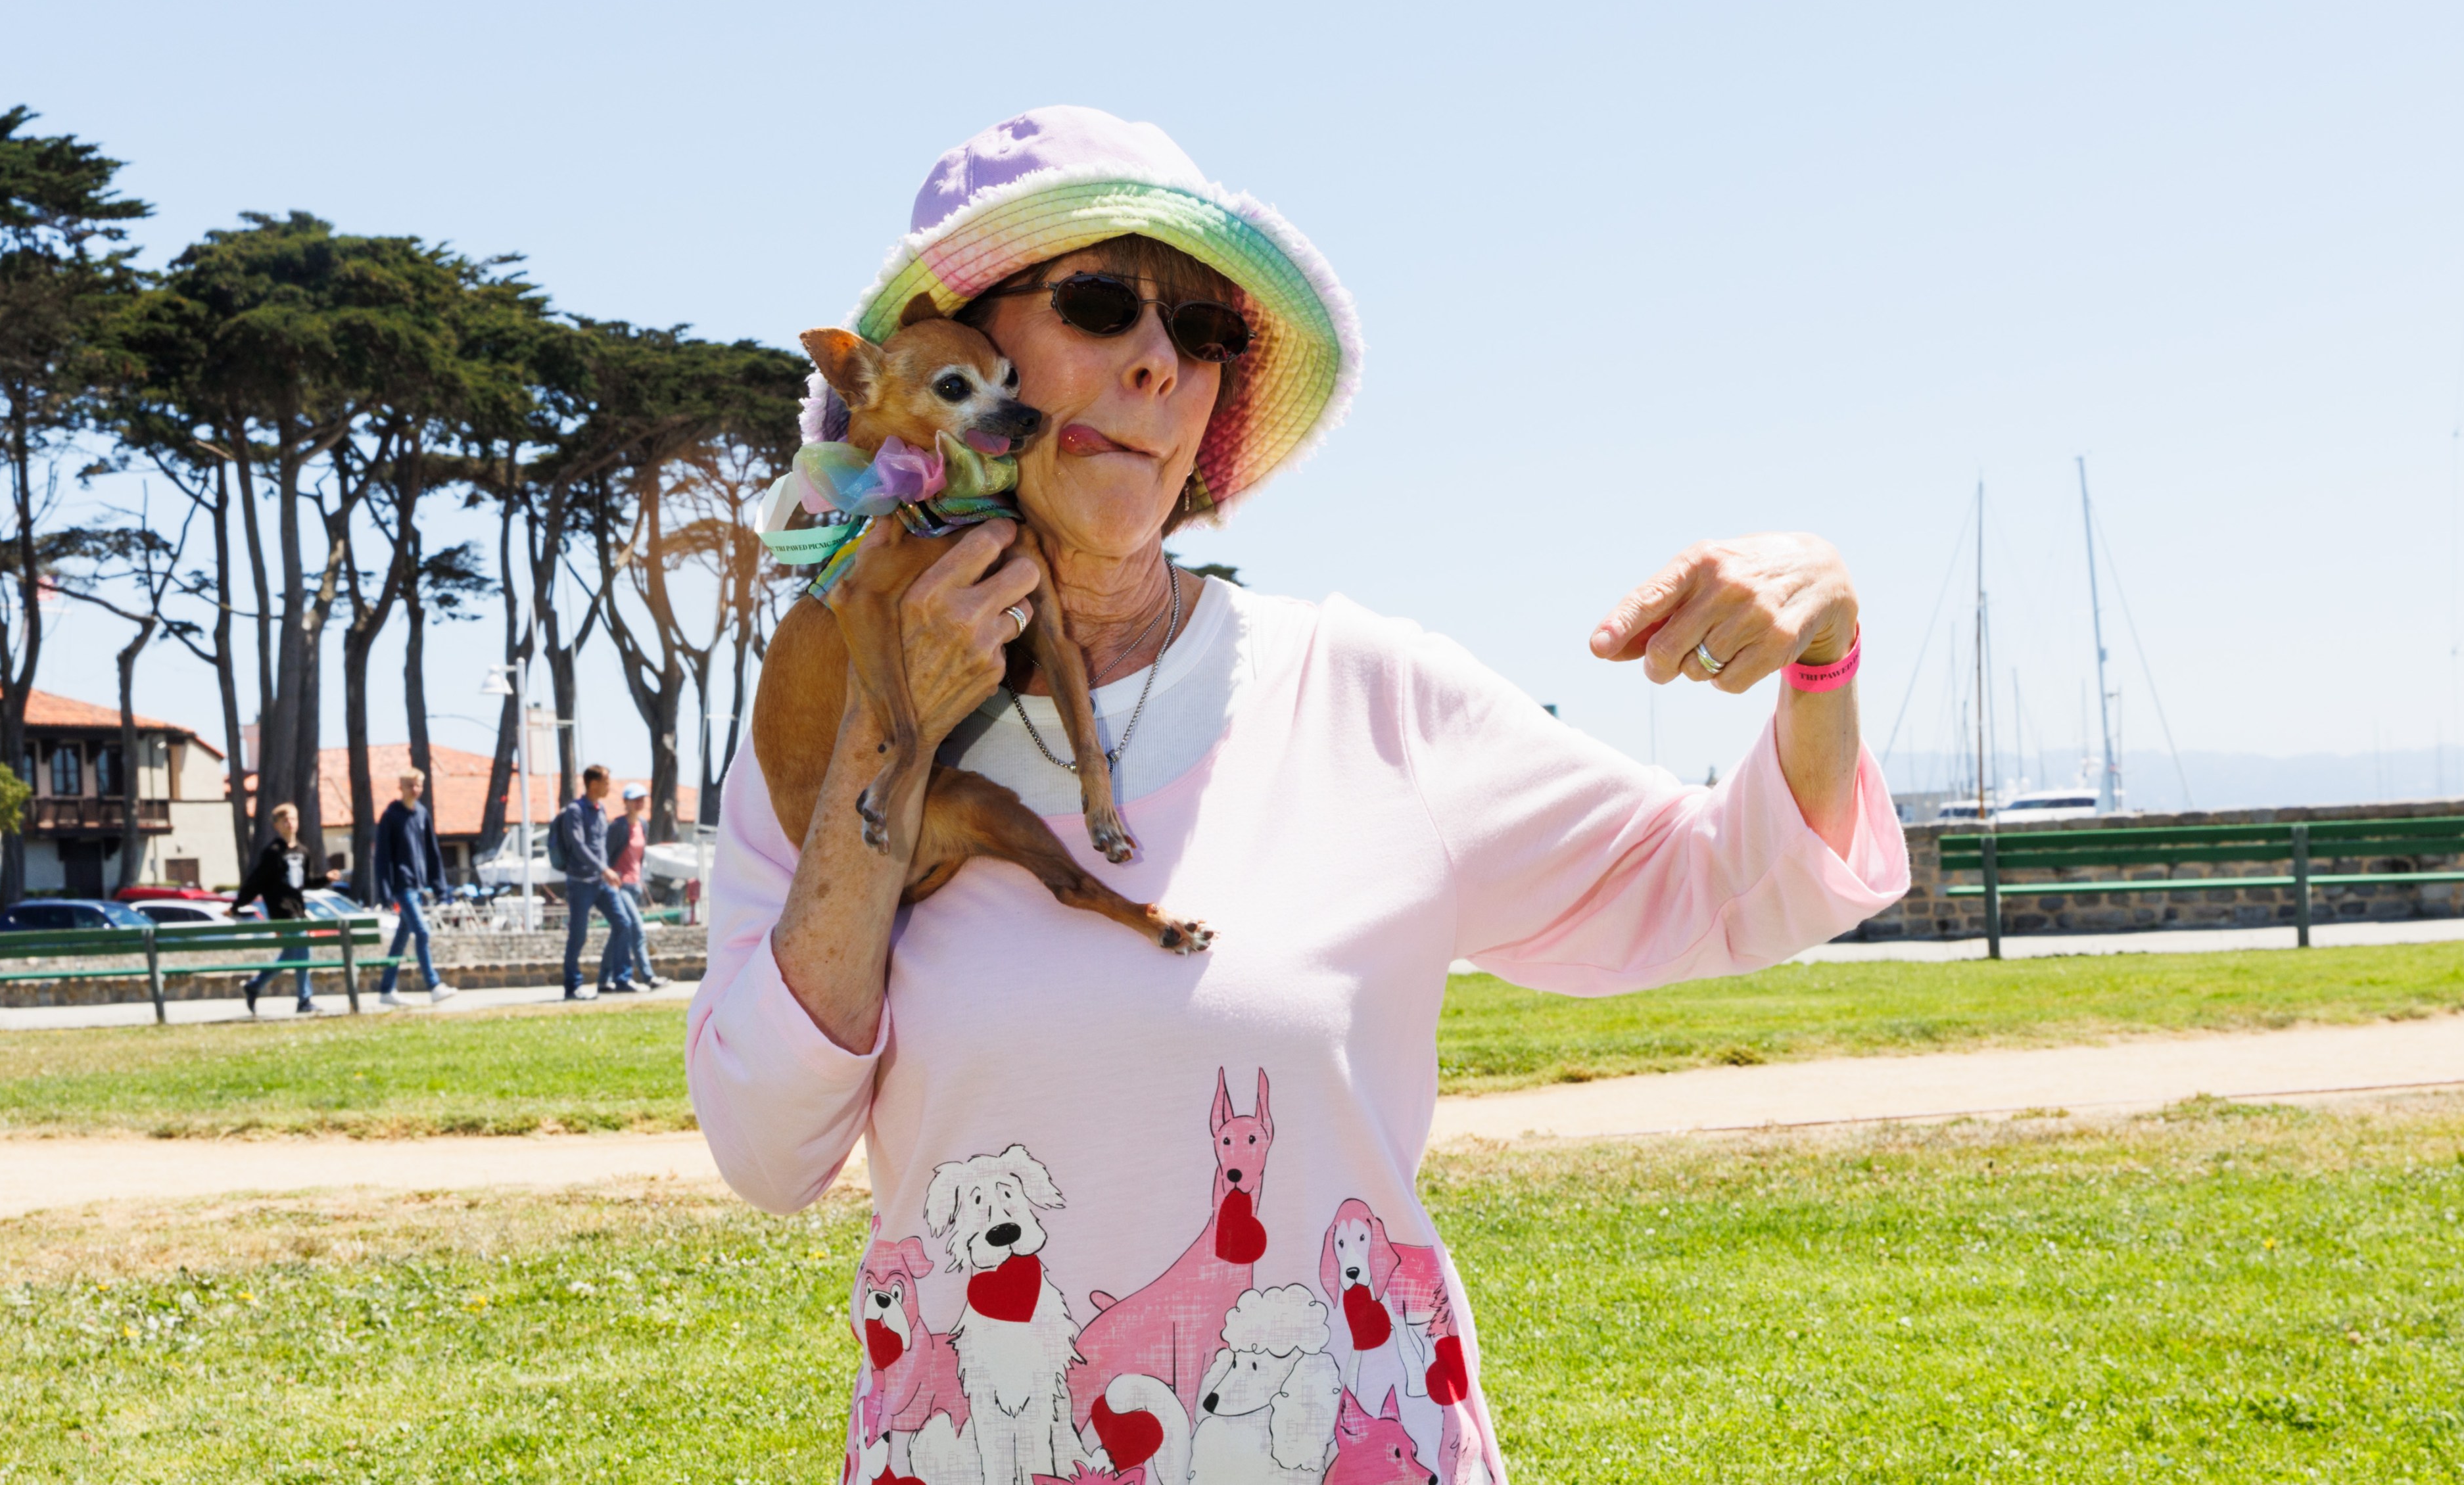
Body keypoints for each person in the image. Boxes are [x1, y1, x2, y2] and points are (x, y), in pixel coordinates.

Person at [686, 106, 1909, 1482]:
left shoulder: (1368, 694)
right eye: (1097, 301)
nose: (1157, 358)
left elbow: (1732, 880)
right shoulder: (813, 723)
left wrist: (1826, 642)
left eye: (1203, 333)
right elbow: (767, 1142)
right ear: (947, 359)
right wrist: (887, 729)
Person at [550, 764, 638, 999]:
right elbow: (578, 846)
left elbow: (600, 846)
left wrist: (607, 871)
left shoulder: (601, 810)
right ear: (594, 784)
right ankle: (573, 985)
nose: (610, 787)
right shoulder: (575, 811)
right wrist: (604, 869)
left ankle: (620, 979)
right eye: (607, 782)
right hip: (580, 883)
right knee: (578, 934)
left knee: (623, 924)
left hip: (602, 883)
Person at [373, 768, 458, 1008]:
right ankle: (434, 986)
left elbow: (432, 852)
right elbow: (382, 857)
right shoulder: (391, 815)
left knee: (401, 939)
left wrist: (441, 888)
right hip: (402, 885)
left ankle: (387, 989)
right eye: (411, 785)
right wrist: (385, 891)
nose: (415, 789)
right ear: (401, 787)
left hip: (418, 886)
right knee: (422, 932)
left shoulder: (422, 813)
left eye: (419, 785)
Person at [237, 802, 329, 1018]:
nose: (290, 823)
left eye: (293, 819)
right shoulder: (273, 853)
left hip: (298, 912)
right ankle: (304, 1000)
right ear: (276, 825)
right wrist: (237, 904)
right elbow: (256, 882)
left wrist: (326, 879)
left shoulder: (302, 851)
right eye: (285, 820)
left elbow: (306, 883)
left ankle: (254, 986)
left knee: (290, 955)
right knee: (304, 950)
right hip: (282, 913)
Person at [607, 782, 669, 989]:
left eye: (642, 799)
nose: (640, 803)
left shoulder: (642, 825)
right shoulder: (618, 827)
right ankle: (648, 977)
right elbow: (607, 856)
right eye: (635, 799)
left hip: (634, 885)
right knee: (637, 929)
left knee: (619, 932)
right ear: (626, 802)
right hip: (619, 886)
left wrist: (640, 879)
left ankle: (602, 980)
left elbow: (637, 858)